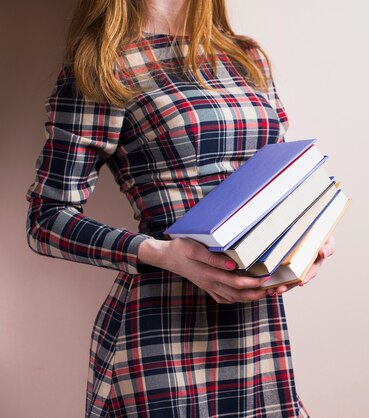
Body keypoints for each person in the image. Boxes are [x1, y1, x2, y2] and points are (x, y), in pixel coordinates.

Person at [24, 0, 336, 416]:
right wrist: (162, 254)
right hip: (164, 330)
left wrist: (307, 240)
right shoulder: (102, 65)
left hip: (256, 330)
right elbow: (46, 219)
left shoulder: (246, 58)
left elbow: (278, 185)